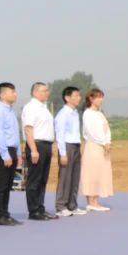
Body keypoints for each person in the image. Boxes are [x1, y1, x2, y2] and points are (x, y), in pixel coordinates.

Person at [21, 82, 58, 220]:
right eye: (44, 90)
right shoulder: (31, 107)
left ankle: (40, 208)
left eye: (47, 90)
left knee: (43, 179)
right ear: (35, 92)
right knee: (34, 179)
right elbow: (28, 129)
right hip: (36, 145)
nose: (47, 93)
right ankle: (34, 210)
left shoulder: (44, 107)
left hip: (46, 145)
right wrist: (33, 149)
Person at [0, 82, 24, 226]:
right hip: (1, 151)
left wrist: (18, 153)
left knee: (8, 185)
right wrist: (5, 155)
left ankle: (5, 214)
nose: (15, 94)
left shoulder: (11, 111)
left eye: (15, 91)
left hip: (11, 150)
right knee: (1, 186)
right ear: (2, 95)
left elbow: (15, 134)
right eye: (12, 92)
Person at [79, 87, 114, 211]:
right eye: (98, 97)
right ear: (91, 98)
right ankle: (91, 202)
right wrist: (103, 142)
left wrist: (108, 141)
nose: (100, 100)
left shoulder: (100, 114)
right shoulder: (87, 113)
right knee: (91, 173)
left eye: (101, 97)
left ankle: (96, 201)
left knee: (100, 173)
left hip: (103, 147)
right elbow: (91, 132)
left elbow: (106, 129)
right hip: (94, 146)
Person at [54, 86, 87, 217]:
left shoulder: (75, 113)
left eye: (79, 95)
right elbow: (60, 134)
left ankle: (72, 205)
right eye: (76, 95)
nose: (79, 98)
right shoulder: (63, 114)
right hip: (67, 146)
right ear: (67, 98)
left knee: (74, 177)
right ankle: (61, 206)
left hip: (76, 145)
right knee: (65, 177)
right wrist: (63, 153)